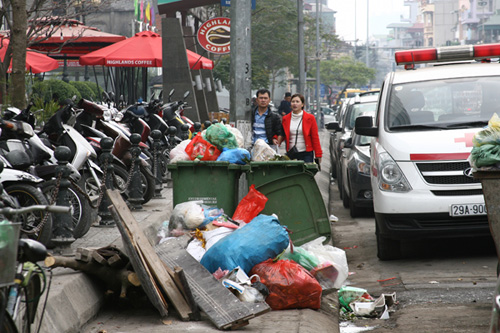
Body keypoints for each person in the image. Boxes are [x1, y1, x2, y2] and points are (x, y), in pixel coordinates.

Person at [279, 93, 322, 163]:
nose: (295, 104)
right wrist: (276, 140)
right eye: (293, 101)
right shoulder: (285, 119)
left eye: (297, 102)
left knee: (306, 173)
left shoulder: (310, 118)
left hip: (306, 153)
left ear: (302, 104)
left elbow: (315, 137)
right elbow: (282, 134)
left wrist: (318, 154)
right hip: (291, 154)